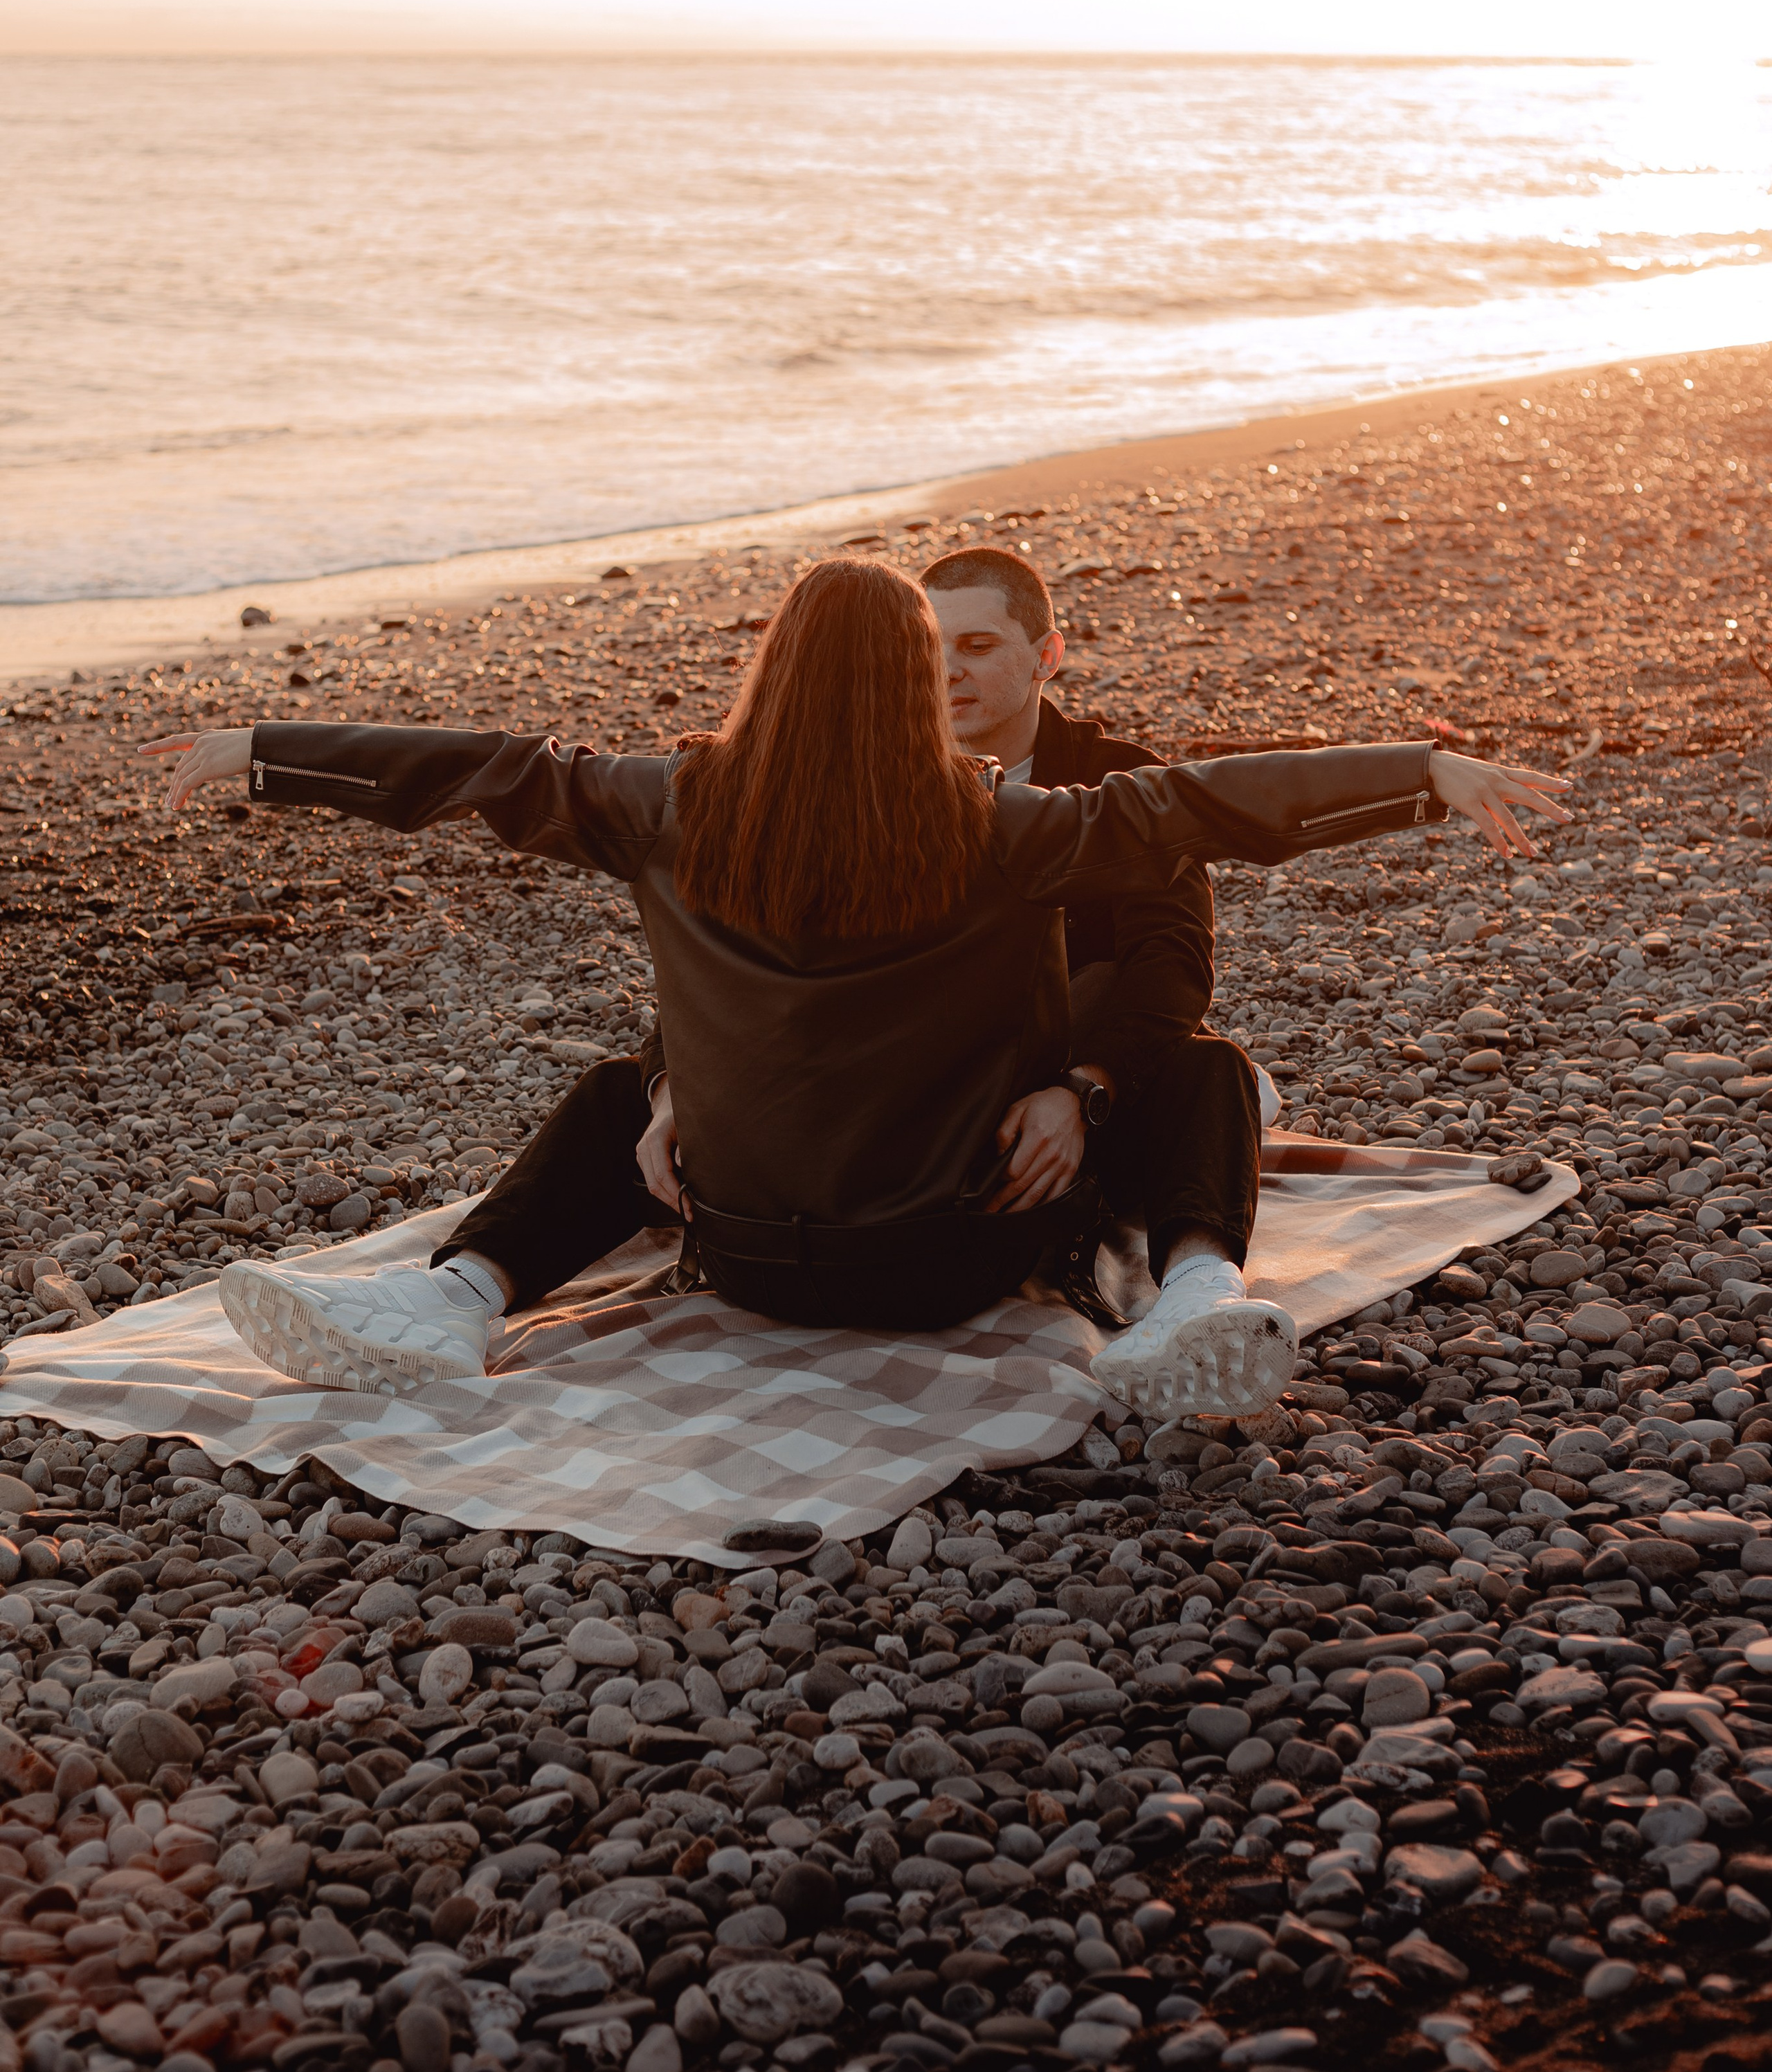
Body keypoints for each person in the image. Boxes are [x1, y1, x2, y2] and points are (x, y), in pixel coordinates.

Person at [140, 558, 1567, 1423]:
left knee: (616, 1090)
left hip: (744, 1255)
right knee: (1203, 1070)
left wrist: (271, 753)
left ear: (771, 672)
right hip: (949, 1259)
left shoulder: (668, 804)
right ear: (905, 681)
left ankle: (457, 1297)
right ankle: (1193, 1298)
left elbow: (491, 770)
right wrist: (1421, 776)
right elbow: (1197, 806)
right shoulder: (1005, 825)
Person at [392, 545, 1252, 1392]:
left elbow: (1172, 961)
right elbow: (728, 980)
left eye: (978, 646)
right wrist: (673, 1088)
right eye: (930, 647)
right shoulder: (848, 786)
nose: (948, 670)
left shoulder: (1115, 782)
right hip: (893, 1103)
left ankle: (1199, 1298)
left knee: (1208, 1066)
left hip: (1040, 1108)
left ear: (1046, 656)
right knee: (622, 1092)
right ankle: (458, 1291)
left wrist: (1084, 1089)